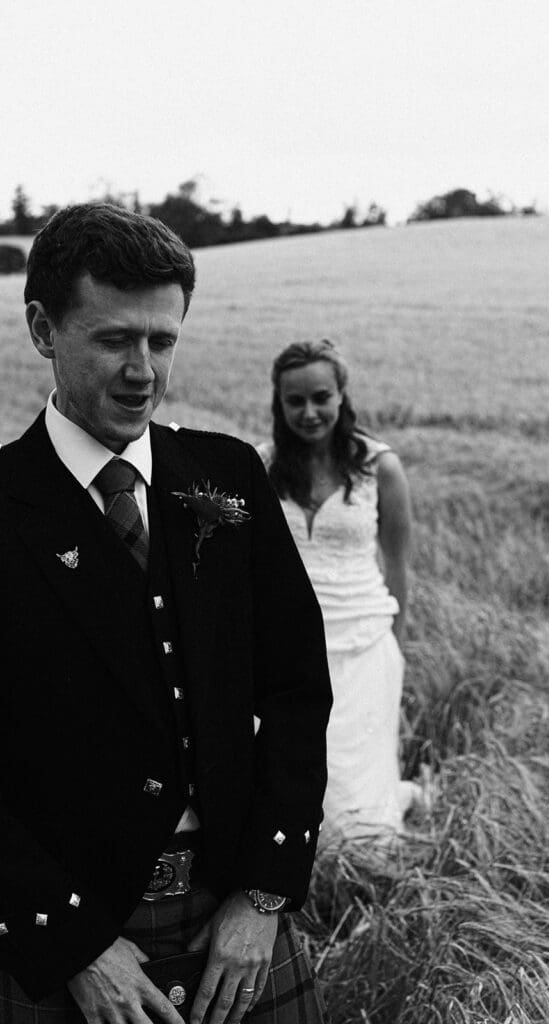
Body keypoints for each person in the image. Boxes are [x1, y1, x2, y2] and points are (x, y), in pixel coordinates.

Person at [0, 204, 332, 1024]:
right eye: (114, 339)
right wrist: (72, 943)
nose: (142, 371)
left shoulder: (227, 475)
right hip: (63, 931)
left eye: (162, 340)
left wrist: (263, 893)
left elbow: (296, 689)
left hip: (235, 910)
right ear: (43, 329)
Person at [258, 340, 420, 844]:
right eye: (295, 401)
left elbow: (398, 565)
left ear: (342, 395)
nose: (309, 412)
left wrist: (395, 645)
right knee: (299, 769)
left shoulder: (380, 467)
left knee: (359, 781)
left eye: (321, 397)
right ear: (279, 403)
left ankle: (370, 842)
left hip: (365, 641)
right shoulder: (262, 466)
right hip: (289, 646)